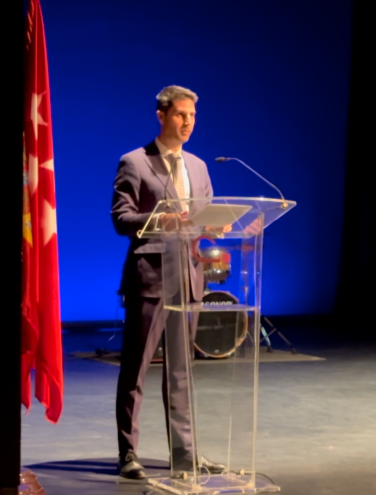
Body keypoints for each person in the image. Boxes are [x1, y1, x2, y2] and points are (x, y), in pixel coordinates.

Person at [110, 85, 225, 480]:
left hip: (189, 278)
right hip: (151, 276)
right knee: (136, 369)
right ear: (161, 116)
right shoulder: (135, 162)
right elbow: (121, 219)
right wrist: (160, 219)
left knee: (181, 372)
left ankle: (185, 454)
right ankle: (129, 453)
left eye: (192, 115)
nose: (188, 122)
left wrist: (222, 225)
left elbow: (204, 216)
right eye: (180, 114)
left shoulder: (198, 166)